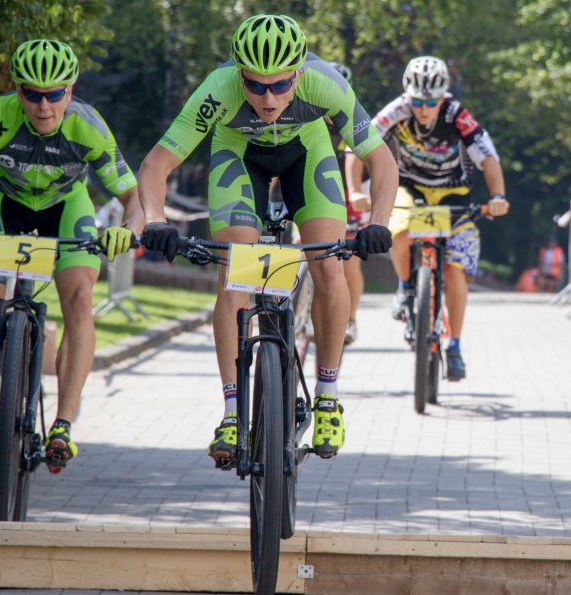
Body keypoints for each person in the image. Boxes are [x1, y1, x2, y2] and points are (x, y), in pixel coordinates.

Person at [137, 14, 397, 463]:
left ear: (299, 73)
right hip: (239, 156)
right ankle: (232, 411)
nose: (269, 98)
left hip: (305, 154)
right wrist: (156, 220)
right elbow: (156, 164)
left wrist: (378, 222)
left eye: (280, 85)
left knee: (328, 266)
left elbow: (381, 160)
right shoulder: (218, 89)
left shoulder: (325, 83)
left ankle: (328, 396)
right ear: (239, 75)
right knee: (235, 273)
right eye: (255, 86)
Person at [0, 39, 143, 475]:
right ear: (16, 90)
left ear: (70, 91)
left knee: (79, 298)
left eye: (55, 94)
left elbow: (133, 197)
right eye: (32, 94)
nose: (43, 106)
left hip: (65, 207)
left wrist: (127, 231)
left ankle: (63, 426)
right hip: (2, 204)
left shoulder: (88, 126)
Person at [346, 55, 509, 381]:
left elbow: (487, 157)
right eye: (417, 101)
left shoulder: (457, 114)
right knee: (399, 228)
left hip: (453, 193)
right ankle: (405, 287)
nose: (423, 109)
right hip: (411, 188)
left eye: (431, 102)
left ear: (442, 97)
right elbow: (357, 146)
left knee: (454, 271)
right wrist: (353, 191)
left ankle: (455, 346)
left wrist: (497, 197)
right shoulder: (397, 110)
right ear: (408, 96)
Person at [325, 61, 367, 346]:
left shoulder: (352, 119)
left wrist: (356, 194)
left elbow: (358, 157)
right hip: (312, 189)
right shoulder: (302, 114)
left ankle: (350, 319)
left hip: (348, 194)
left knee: (349, 259)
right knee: (297, 246)